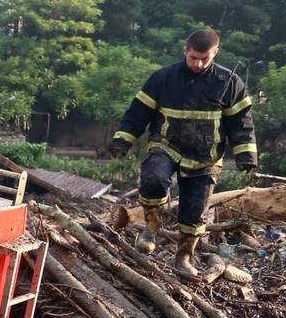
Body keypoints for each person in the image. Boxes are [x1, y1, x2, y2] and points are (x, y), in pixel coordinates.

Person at [109, 28, 257, 277]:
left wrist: (246, 156)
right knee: (153, 178)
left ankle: (184, 256)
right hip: (166, 145)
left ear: (215, 53)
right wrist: (122, 141)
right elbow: (138, 112)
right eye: (193, 58)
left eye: (205, 59)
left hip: (206, 156)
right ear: (185, 51)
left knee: (195, 210)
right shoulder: (163, 78)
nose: (198, 64)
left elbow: (242, 123)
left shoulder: (230, 83)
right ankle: (152, 225)